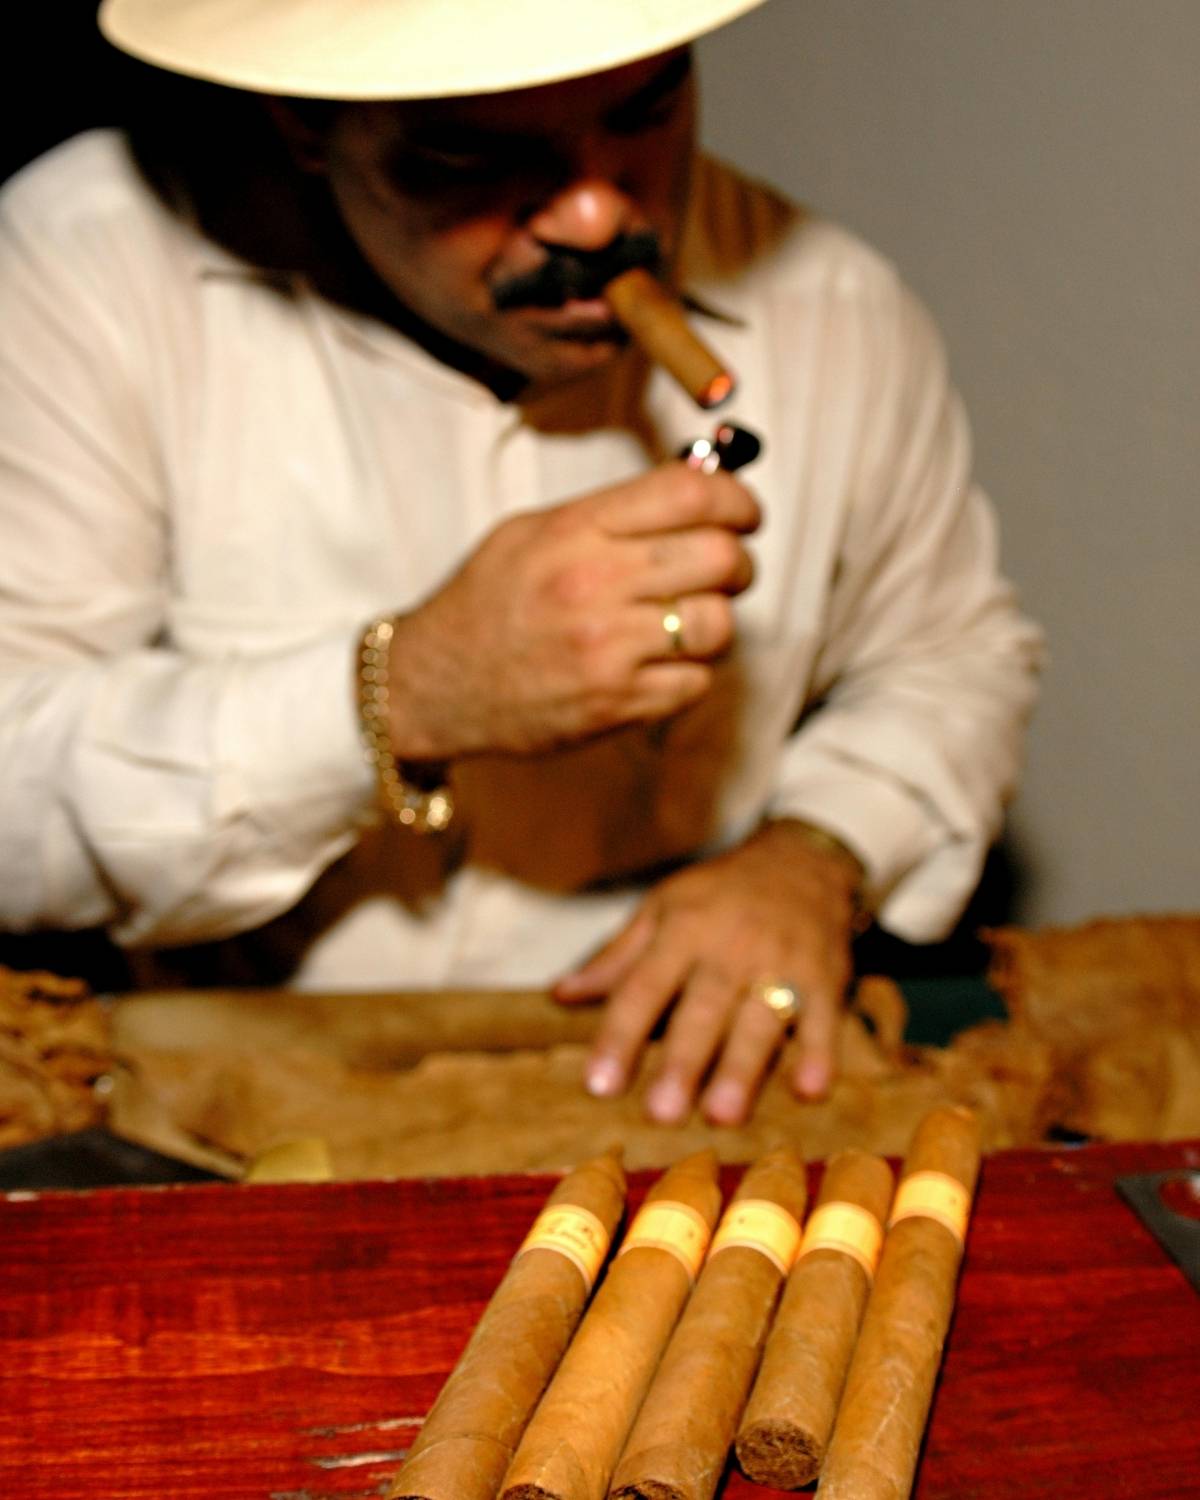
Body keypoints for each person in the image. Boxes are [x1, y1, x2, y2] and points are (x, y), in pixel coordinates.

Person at [0, 0, 1041, 1126]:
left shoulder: (835, 310)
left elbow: (953, 656)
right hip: (203, 1102)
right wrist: (401, 694)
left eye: (644, 111)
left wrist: (819, 854)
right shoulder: (87, 267)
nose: (596, 216)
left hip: (669, 1094)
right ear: (303, 121)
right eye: (473, 156)